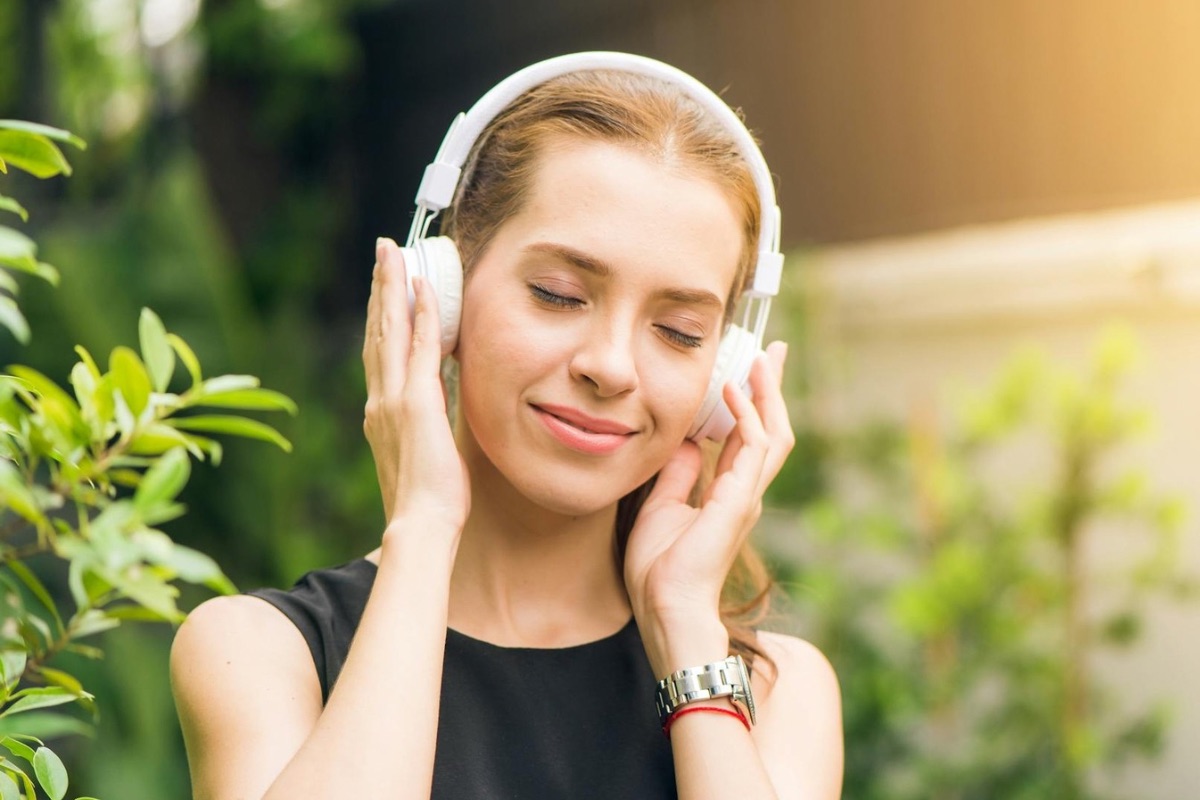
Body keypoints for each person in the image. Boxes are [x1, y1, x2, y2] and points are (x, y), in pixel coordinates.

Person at [170, 52, 843, 800]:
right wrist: (424, 528)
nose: (611, 366)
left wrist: (684, 626)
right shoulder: (261, 654)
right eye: (559, 294)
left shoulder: (778, 694)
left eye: (680, 331)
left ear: (724, 371)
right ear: (442, 292)